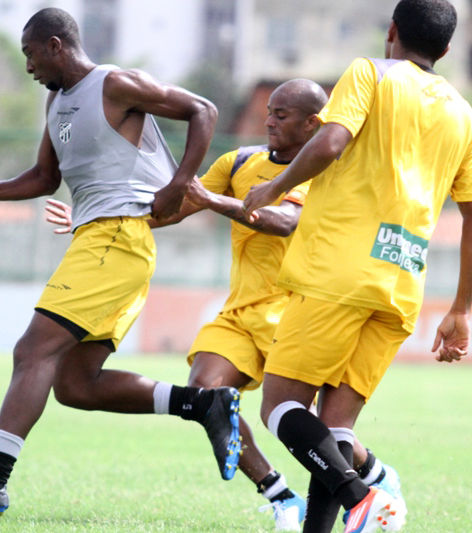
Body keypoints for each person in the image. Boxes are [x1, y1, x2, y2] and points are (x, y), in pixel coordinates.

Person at [0, 7, 243, 520]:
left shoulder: (115, 83)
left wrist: (181, 181)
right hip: (103, 242)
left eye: (29, 54)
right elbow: (46, 177)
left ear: (54, 45)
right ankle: (202, 405)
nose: (27, 67)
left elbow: (203, 109)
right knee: (75, 386)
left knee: (32, 352)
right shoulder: (56, 100)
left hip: (116, 238)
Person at [46, 79, 404, 532]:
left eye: (282, 114)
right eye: (269, 111)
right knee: (208, 393)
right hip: (239, 314)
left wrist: (216, 201)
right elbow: (169, 210)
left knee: (307, 426)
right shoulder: (238, 162)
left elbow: (284, 222)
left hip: (299, 311)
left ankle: (373, 473)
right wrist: (91, 215)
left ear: (313, 123)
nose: (269, 120)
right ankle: (281, 496)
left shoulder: (324, 171)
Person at [242, 1, 472, 532]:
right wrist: (462, 309)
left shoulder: (370, 73)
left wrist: (275, 187)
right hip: (401, 283)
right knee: (336, 429)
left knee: (280, 408)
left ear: (392, 32)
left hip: (339, 271)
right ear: (445, 50)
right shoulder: (465, 115)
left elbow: (332, 141)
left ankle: (364, 497)